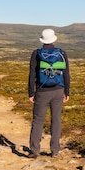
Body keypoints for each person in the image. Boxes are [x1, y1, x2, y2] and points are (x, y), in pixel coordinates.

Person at [27, 28, 70, 158]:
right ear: (54, 39)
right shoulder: (62, 53)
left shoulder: (36, 54)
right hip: (58, 90)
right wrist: (66, 91)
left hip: (42, 91)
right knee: (56, 120)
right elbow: (66, 74)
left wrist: (31, 92)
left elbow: (32, 74)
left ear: (42, 40)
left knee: (38, 120)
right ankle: (55, 150)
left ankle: (35, 150)